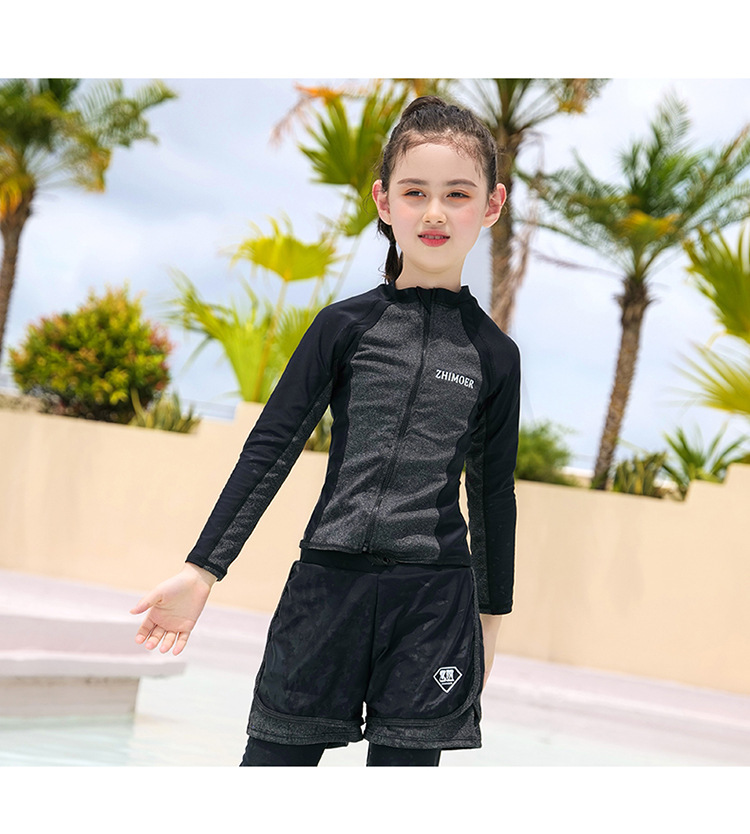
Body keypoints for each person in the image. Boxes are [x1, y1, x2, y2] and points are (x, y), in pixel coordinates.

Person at [131, 95, 521, 767]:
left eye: (457, 194)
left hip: (431, 604)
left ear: (491, 205)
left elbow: (492, 494)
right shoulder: (344, 328)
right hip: (326, 588)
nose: (434, 212)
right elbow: (271, 449)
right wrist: (202, 570)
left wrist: (490, 618)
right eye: (415, 192)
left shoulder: (494, 355)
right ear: (383, 200)